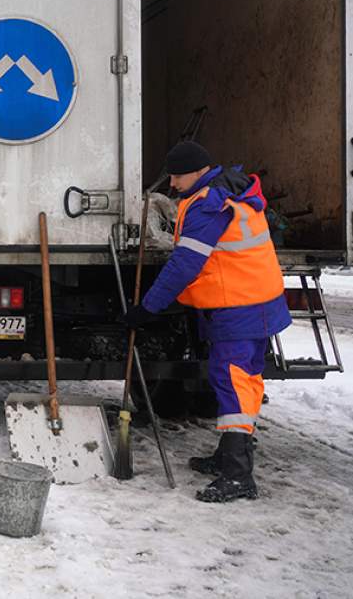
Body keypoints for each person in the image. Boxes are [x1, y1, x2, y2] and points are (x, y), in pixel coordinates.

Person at [124, 142, 290, 503]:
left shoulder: (208, 206)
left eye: (178, 175)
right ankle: (229, 455)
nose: (173, 182)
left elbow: (184, 266)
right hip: (255, 299)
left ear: (198, 172)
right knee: (242, 378)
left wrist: (147, 308)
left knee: (232, 381)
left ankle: (237, 474)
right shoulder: (230, 190)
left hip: (240, 305)